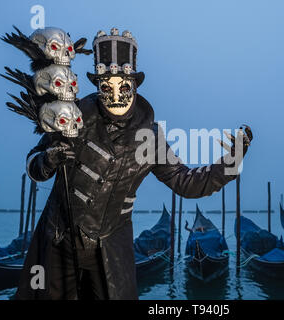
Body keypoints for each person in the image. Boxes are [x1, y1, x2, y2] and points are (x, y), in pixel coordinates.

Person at [15, 28, 252, 300]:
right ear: (97, 86)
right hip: (58, 244)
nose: (116, 95)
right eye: (107, 87)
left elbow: (187, 183)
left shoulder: (150, 138)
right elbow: (34, 164)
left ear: (135, 85)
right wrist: (48, 159)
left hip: (110, 251)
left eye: (124, 86)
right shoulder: (72, 117)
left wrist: (231, 162)